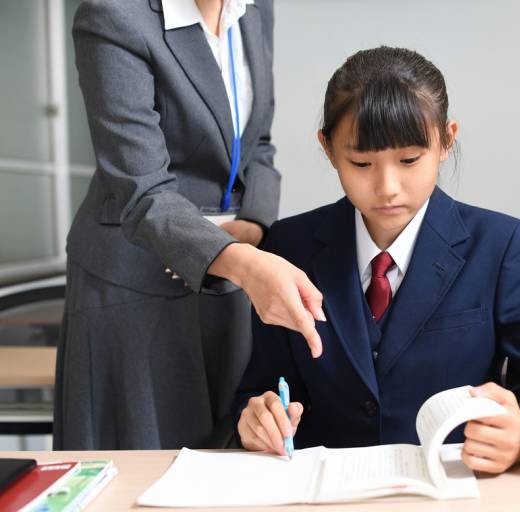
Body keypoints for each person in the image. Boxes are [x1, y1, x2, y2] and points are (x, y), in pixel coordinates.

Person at [233, 46, 520, 473]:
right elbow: (262, 386)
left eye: (409, 160)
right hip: (325, 493)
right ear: (327, 147)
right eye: (361, 163)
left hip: (457, 488)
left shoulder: (501, 243)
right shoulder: (288, 247)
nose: (387, 187)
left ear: (447, 140)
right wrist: (256, 417)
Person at [54, 0, 325, 450]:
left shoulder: (254, 10)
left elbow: (256, 145)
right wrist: (246, 263)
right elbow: (143, 191)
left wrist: (255, 227)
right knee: (141, 470)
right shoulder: (114, 15)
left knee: (230, 454)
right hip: (136, 283)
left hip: (229, 275)